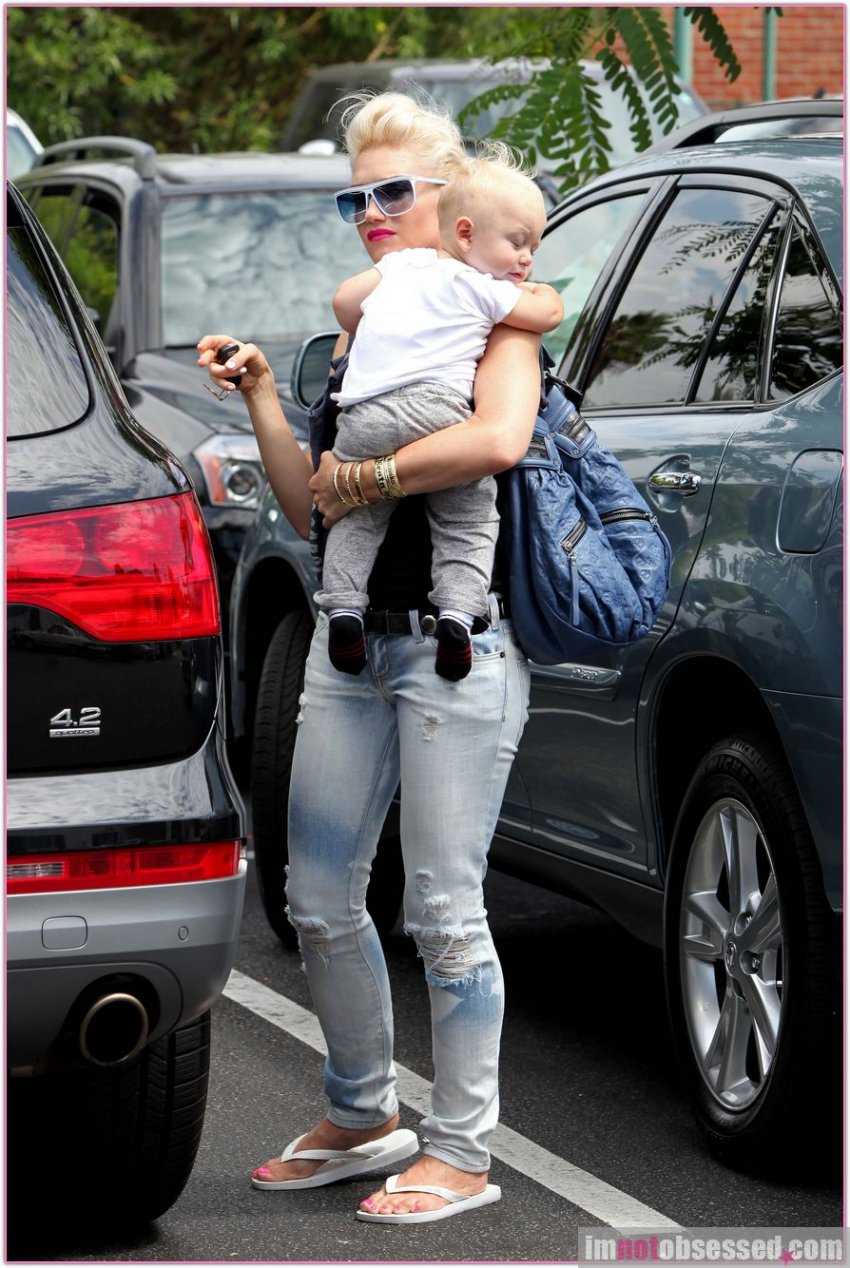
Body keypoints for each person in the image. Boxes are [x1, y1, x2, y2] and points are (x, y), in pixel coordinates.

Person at [198, 91, 547, 1225]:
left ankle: (463, 1149)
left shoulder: (497, 323)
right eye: (355, 198)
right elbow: (314, 502)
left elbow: (497, 439)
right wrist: (265, 392)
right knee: (314, 896)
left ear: (454, 203)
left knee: (444, 911)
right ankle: (361, 1113)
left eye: (394, 191)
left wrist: (374, 475)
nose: (371, 214)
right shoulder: (365, 333)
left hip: (456, 651)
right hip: (350, 649)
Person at [320, 150, 562, 681]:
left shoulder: (401, 270)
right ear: (467, 234)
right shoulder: (483, 287)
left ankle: (341, 608)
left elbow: (344, 302)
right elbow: (547, 313)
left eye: (533, 249)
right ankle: (456, 614)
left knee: (358, 519)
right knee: (467, 514)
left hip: (361, 415)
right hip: (435, 412)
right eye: (518, 243)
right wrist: (540, 292)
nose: (525, 259)